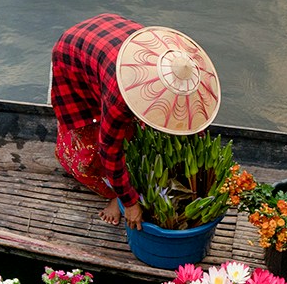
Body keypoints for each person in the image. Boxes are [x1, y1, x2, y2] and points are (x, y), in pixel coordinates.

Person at [50, 14, 222, 227]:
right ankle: (113, 194)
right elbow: (109, 149)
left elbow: (194, 119)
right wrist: (129, 202)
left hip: (117, 39)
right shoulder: (121, 97)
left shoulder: (189, 71)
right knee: (90, 142)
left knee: (136, 132)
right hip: (74, 52)